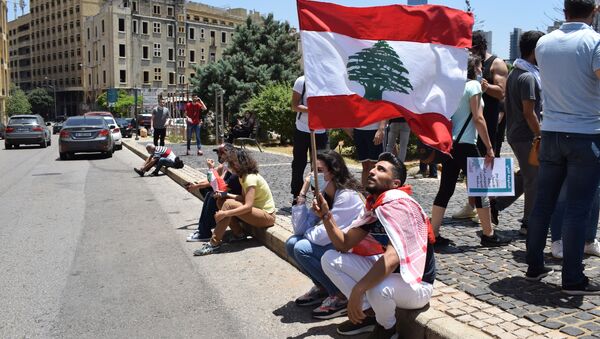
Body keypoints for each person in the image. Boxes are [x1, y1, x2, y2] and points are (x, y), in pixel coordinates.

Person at [315, 153, 436, 338]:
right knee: (330, 259)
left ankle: (387, 329)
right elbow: (344, 244)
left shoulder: (400, 204)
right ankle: (368, 314)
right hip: (393, 277)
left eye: (381, 169)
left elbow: (392, 258)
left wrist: (358, 289)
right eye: (374, 167)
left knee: (376, 288)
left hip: (417, 285)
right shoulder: (375, 207)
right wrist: (325, 215)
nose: (372, 171)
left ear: (395, 184)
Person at [526, 0, 600, 295]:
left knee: (543, 203)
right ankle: (572, 279)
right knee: (577, 208)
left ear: (564, 10)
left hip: (551, 131)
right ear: (593, 10)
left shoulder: (544, 43)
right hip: (586, 133)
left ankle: (534, 266)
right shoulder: (594, 41)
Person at [430, 55, 511, 248]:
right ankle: (488, 234)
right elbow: (478, 118)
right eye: (481, 65)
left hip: (451, 144)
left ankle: (433, 234)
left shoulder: (451, 88)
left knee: (446, 189)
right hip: (467, 144)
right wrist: (489, 147)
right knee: (481, 190)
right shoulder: (473, 86)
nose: (482, 68)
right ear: (474, 68)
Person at [286, 151, 364, 320]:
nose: (315, 175)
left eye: (320, 171)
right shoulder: (325, 192)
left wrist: (317, 220)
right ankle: (323, 288)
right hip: (335, 246)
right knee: (292, 243)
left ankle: (340, 295)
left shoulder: (347, 196)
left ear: (334, 171)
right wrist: (302, 193)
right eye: (313, 170)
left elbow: (321, 236)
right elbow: (299, 230)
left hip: (352, 251)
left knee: (301, 247)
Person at [490, 31, 545, 236]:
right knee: (534, 179)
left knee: (526, 175)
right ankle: (528, 223)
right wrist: (540, 135)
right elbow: (529, 112)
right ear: (535, 51)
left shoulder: (517, 70)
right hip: (526, 135)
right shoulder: (529, 76)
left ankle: (497, 204)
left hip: (518, 134)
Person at [453, 31, 509, 221]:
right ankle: (472, 205)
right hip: (467, 120)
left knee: (488, 163)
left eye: (472, 49)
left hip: (489, 118)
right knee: (470, 164)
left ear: (480, 48)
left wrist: (485, 87)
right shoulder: (465, 61)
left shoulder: (496, 63)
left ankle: (489, 207)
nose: (469, 52)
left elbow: (502, 92)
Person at [194, 148, 276, 255]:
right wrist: (225, 194)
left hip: (267, 216)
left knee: (228, 205)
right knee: (221, 201)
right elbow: (243, 198)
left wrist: (225, 213)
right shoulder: (243, 176)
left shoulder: (250, 178)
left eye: (230, 164)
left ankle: (214, 244)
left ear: (237, 164)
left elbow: (248, 206)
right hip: (258, 212)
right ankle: (239, 235)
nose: (229, 168)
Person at [186, 143, 243, 242]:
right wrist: (196, 184)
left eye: (221, 153)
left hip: (239, 200)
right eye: (218, 153)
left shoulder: (235, 169)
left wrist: (211, 169)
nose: (218, 156)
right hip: (231, 194)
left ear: (229, 153)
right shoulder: (226, 166)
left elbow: (217, 185)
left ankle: (204, 231)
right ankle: (204, 228)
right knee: (207, 192)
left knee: (212, 195)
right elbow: (213, 180)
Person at [291, 75, 328, 206]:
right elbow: (294, 105)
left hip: (320, 130)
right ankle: (297, 195)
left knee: (319, 165)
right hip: (302, 128)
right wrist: (312, 110)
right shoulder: (302, 81)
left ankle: (318, 196)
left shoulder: (326, 80)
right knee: (298, 164)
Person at [347, 121, 386, 190]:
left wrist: (381, 128)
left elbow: (384, 111)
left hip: (374, 129)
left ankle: (374, 192)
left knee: (374, 166)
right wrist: (346, 128)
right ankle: (365, 193)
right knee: (365, 166)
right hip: (358, 130)